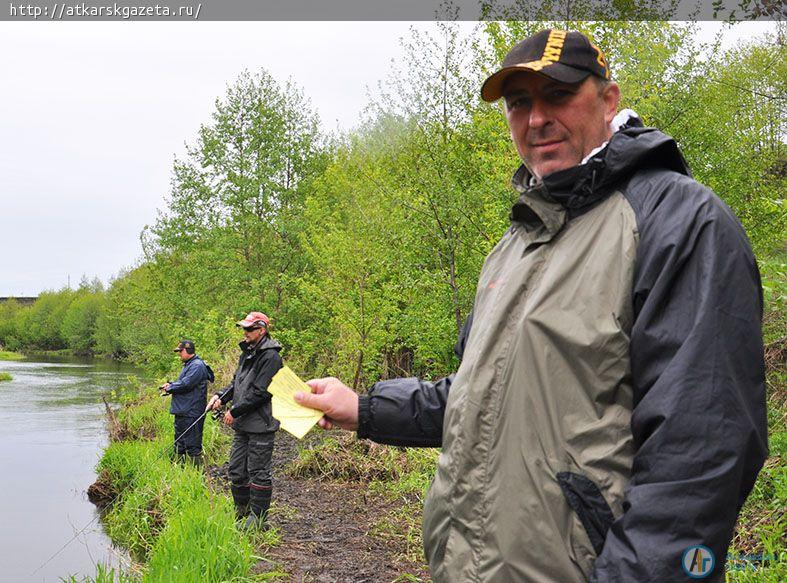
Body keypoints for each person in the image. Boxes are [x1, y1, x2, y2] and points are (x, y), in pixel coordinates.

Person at [294, 29, 768, 582]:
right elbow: (481, 394)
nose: (536, 119)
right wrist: (365, 408)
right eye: (520, 103)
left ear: (608, 100)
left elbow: (701, 454)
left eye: (559, 96)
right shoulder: (514, 246)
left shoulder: (678, 222)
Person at [209, 311, 282, 530]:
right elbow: (236, 383)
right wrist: (220, 398)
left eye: (250, 329)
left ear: (262, 330)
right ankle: (242, 513)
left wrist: (235, 411)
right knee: (236, 470)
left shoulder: (271, 357)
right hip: (243, 425)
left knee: (259, 472)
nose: (245, 332)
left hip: (261, 424)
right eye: (244, 328)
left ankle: (258, 520)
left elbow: (261, 392)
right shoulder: (247, 353)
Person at [161, 339, 211, 466]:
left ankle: (198, 473)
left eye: (180, 351)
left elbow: (186, 384)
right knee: (180, 443)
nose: (179, 354)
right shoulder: (190, 365)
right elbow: (184, 382)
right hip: (183, 411)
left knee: (193, 445)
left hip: (192, 412)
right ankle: (178, 470)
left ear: (188, 350)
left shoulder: (197, 366)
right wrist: (171, 384)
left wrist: (170, 388)